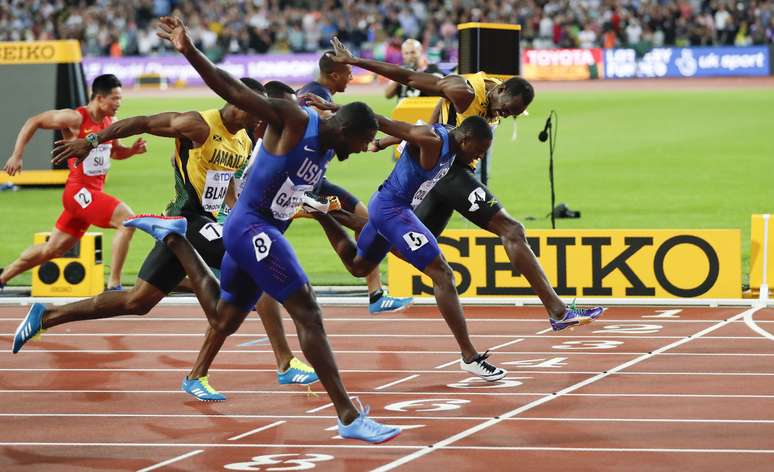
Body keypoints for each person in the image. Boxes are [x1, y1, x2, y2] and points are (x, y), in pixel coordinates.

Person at [89, 16, 396, 443]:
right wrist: (188, 49)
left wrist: (328, 213)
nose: (361, 151)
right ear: (345, 130)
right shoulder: (294, 121)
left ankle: (175, 238)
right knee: (307, 309)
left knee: (223, 316)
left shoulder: (329, 140)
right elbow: (230, 89)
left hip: (253, 228)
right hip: (252, 228)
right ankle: (348, 415)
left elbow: (312, 171)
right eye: (361, 143)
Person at [12, 78, 321, 399]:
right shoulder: (198, 124)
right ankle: (285, 362)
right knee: (254, 264)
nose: (262, 119)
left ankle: (46, 316)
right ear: (239, 102)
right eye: (257, 111)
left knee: (138, 301)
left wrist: (239, 213)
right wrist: (93, 140)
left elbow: (226, 183)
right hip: (185, 219)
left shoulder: (243, 140)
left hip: (200, 224)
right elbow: (143, 122)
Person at [328, 37, 604, 331]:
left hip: (441, 177)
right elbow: (408, 77)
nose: (503, 115)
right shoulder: (465, 91)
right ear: (501, 90)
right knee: (512, 230)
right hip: (450, 172)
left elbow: (430, 124)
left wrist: (386, 142)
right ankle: (558, 311)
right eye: (506, 109)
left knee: (376, 258)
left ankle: (329, 213)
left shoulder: (496, 100)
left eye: (511, 115)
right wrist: (356, 61)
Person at [310, 94, 508, 380]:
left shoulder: (451, 140)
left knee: (359, 267)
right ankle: (470, 356)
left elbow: (402, 134)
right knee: (443, 274)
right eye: (479, 151)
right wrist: (336, 109)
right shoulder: (432, 139)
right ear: (466, 140)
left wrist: (384, 143)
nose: (478, 158)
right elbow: (383, 121)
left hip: (388, 207)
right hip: (393, 210)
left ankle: (322, 212)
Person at [1, 74, 145, 291]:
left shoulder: (110, 122)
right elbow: (34, 121)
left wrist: (132, 151)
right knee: (127, 222)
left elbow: (115, 152)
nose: (119, 103)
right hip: (79, 192)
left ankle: (3, 277)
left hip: (90, 195)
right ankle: (114, 284)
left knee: (53, 250)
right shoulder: (75, 118)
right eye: (115, 98)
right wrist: (17, 155)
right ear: (99, 98)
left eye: (120, 98)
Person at [298, 52, 413, 314]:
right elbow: (316, 126)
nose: (351, 78)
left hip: (316, 179)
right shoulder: (316, 96)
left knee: (366, 218)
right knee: (366, 224)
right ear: (334, 75)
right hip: (303, 184)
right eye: (348, 73)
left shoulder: (315, 94)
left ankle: (376, 295)